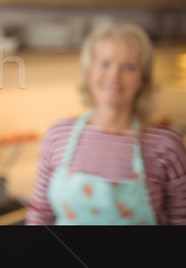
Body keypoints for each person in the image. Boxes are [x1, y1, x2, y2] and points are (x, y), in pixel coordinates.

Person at [25, 22, 186, 225]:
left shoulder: (166, 144)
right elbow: (40, 216)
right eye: (104, 64)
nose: (114, 76)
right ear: (89, 71)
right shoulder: (58, 136)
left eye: (129, 67)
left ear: (143, 78)